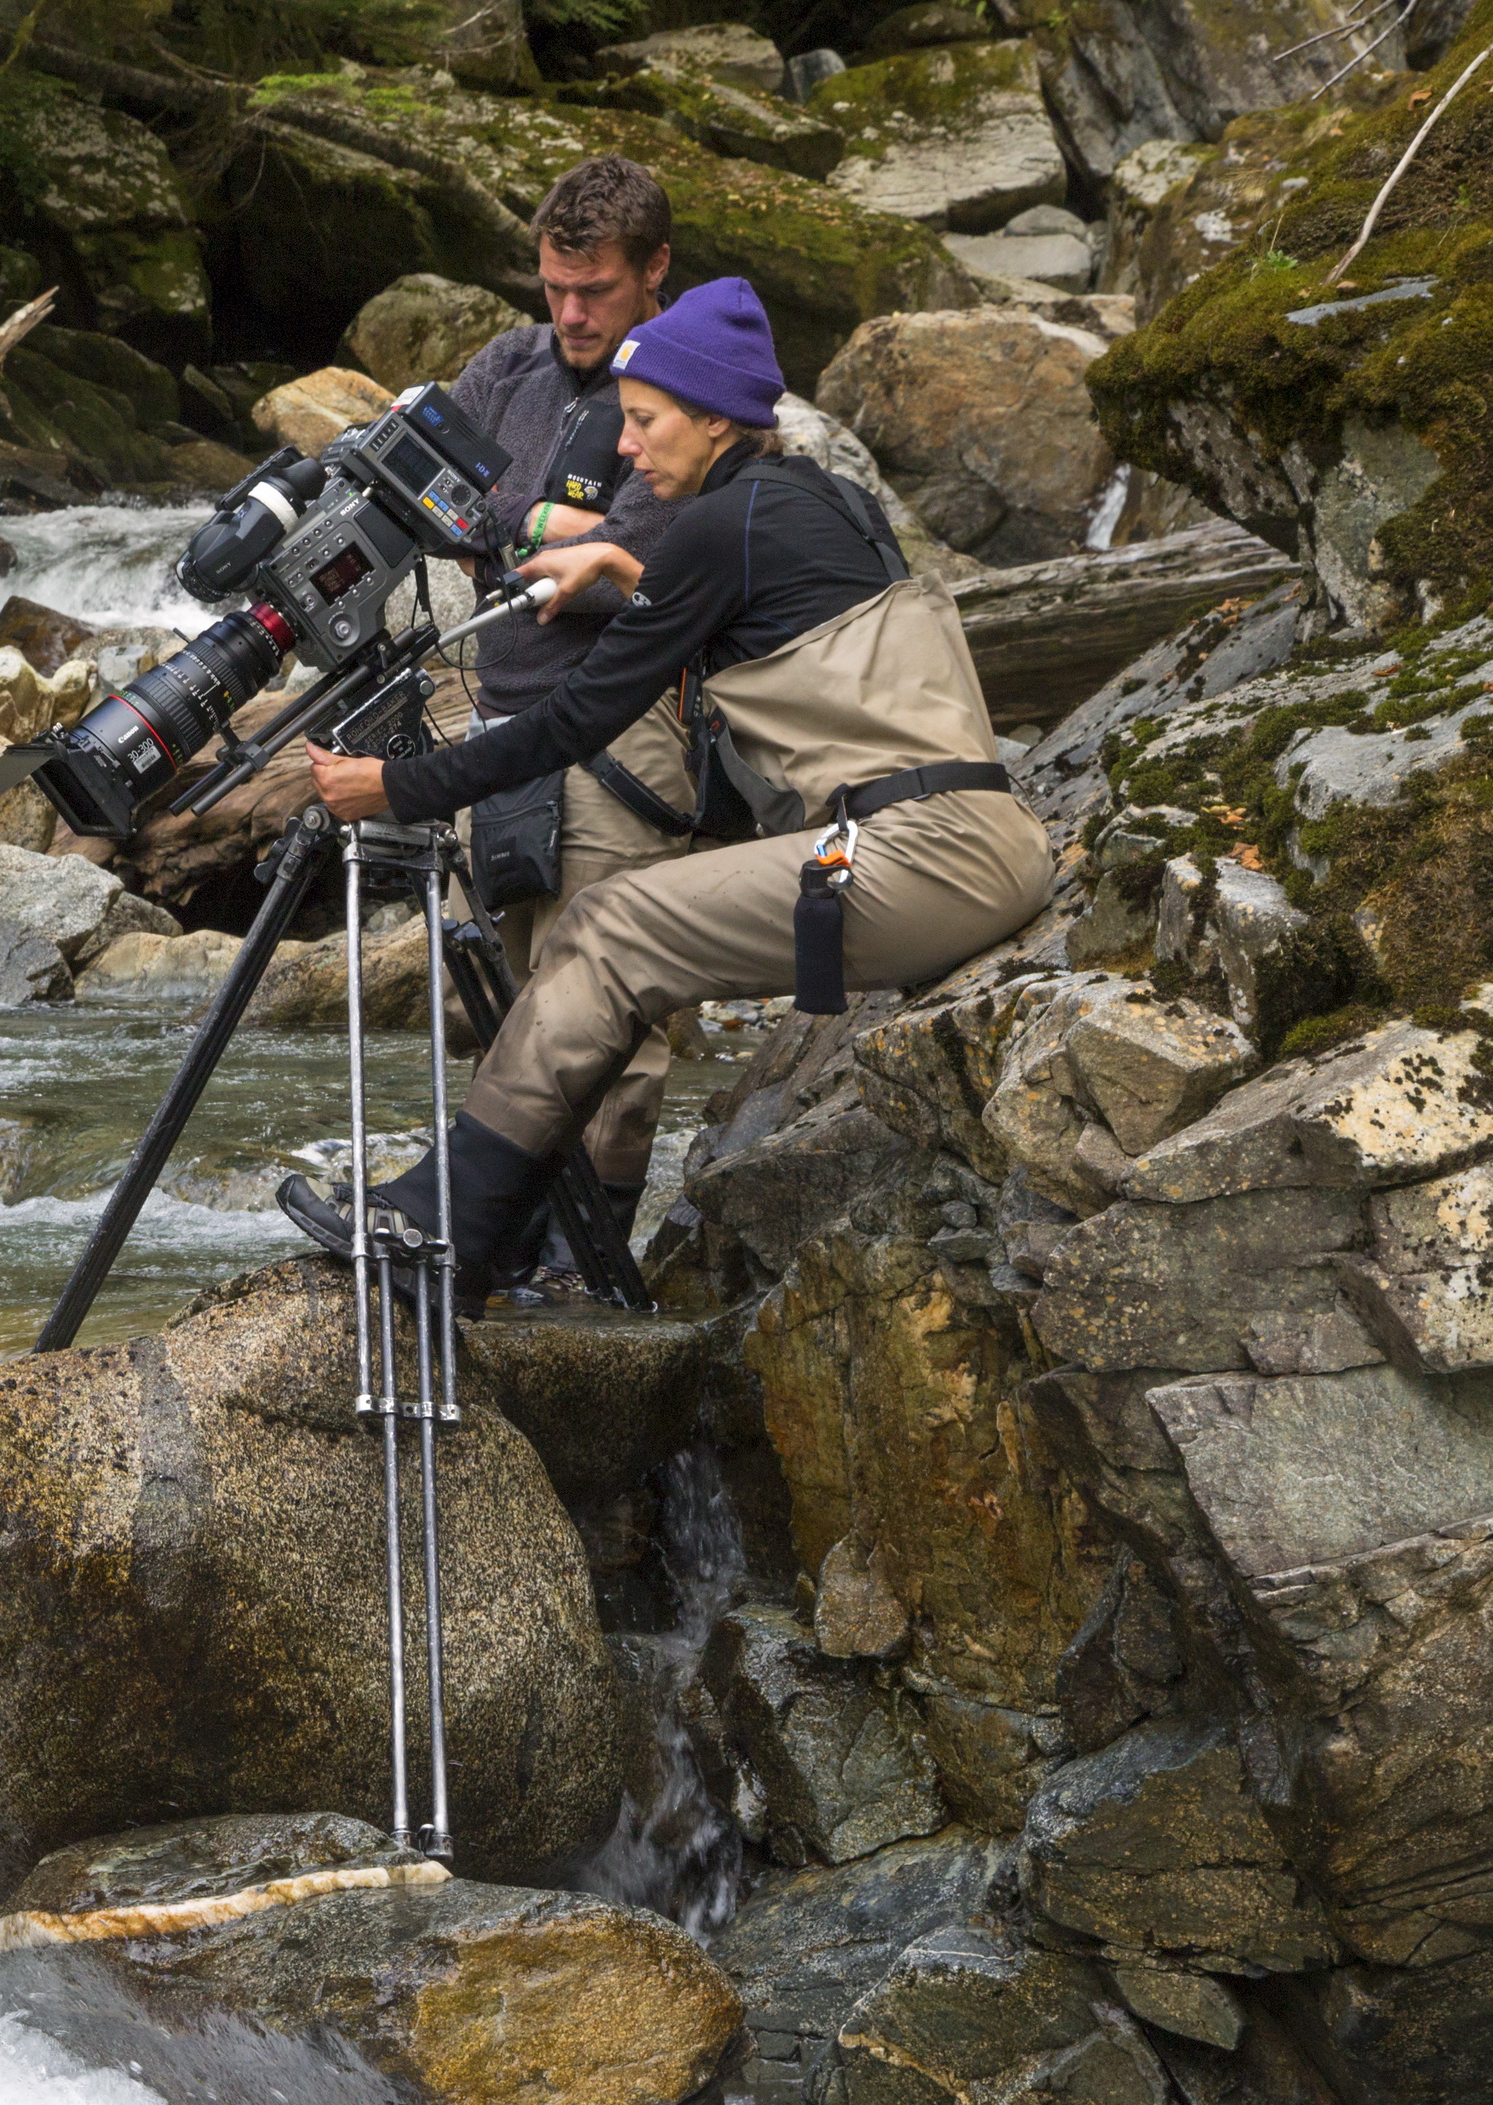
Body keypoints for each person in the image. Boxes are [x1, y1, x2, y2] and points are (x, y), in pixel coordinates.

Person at [287, 277, 1053, 1304]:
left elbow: (568, 724)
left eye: (643, 423)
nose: (628, 450)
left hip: (910, 859)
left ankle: (441, 1228)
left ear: (710, 417)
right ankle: (504, 1231)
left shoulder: (711, 531)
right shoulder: (820, 498)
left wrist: (397, 786)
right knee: (617, 930)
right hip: (983, 838)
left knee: (608, 929)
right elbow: (759, 610)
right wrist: (615, 560)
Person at [436, 156, 700, 1265]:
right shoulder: (511, 360)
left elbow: (628, 549)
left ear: (654, 272)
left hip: (625, 730)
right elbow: (434, 484)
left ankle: (584, 1275)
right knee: (495, 1010)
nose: (571, 315)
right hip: (499, 714)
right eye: (553, 288)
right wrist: (529, 527)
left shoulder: (693, 383)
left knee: (613, 1027)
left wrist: (520, 528)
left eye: (592, 291)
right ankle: (492, 1248)